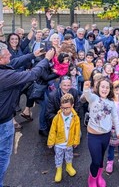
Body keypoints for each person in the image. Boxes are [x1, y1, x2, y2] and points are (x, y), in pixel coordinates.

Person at [0, 43, 54, 187]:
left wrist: (32, 55)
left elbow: (13, 62)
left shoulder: (3, 67)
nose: (10, 55)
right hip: (2, 124)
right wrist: (46, 59)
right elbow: (32, 74)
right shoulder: (4, 76)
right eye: (7, 55)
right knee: (2, 158)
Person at [83, 78, 119, 186]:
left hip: (106, 135)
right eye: (102, 87)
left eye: (107, 87)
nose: (104, 89)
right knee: (95, 160)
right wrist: (86, 87)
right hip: (93, 136)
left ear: (110, 90)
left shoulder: (111, 102)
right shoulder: (94, 98)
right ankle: (92, 179)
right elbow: (87, 95)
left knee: (101, 158)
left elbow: (115, 117)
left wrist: (118, 131)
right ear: (98, 87)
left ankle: (99, 176)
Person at [47, 93, 80, 183]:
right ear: (60, 106)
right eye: (63, 108)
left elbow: (77, 131)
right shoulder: (57, 118)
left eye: (67, 108)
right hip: (59, 143)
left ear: (72, 106)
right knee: (58, 157)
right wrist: (51, 142)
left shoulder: (75, 118)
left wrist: (76, 141)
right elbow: (52, 131)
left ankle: (69, 167)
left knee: (69, 155)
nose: (65, 110)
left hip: (69, 142)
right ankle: (59, 170)